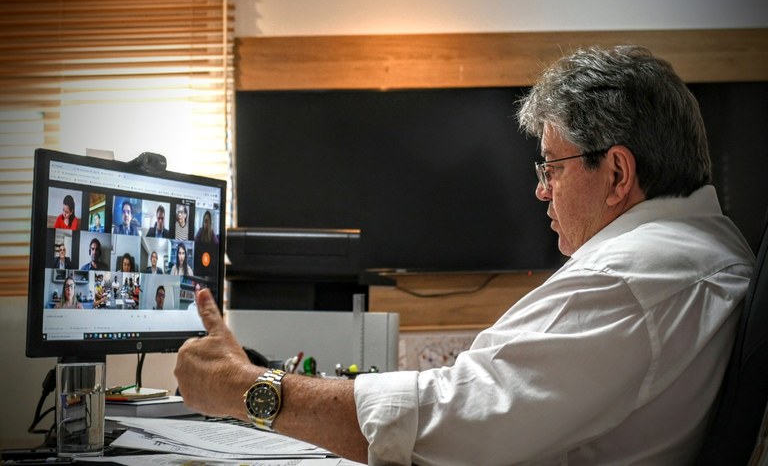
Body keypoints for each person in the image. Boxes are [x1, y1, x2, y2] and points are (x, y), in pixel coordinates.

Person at [174, 46, 755, 465]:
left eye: (552, 167)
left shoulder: (627, 278)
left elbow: (449, 424)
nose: (541, 191)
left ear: (618, 173)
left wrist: (247, 388)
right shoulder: (712, 247)